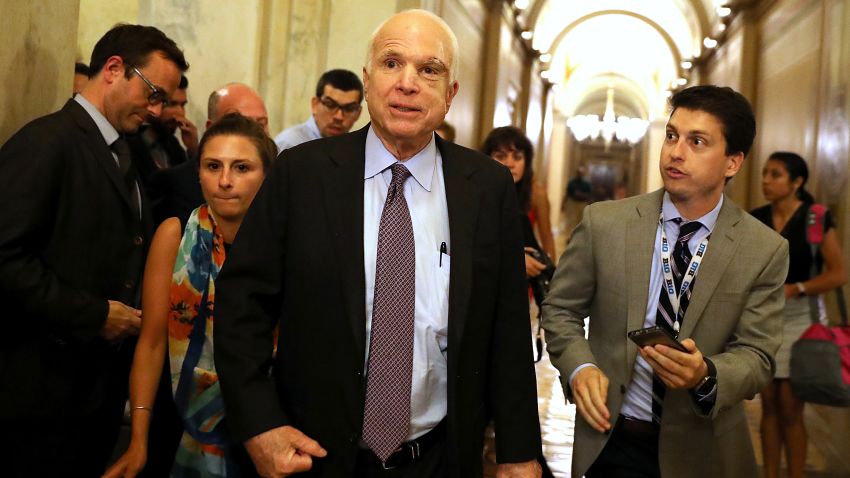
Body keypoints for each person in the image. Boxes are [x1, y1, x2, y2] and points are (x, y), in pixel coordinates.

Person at [213, 9, 542, 478]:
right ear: (367, 82)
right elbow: (241, 305)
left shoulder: (486, 189)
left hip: (439, 459)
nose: (407, 83)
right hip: (313, 456)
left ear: (450, 95)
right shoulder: (301, 174)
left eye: (429, 70)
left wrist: (518, 450)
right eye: (391, 64)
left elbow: (508, 327)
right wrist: (259, 425)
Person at [542, 85, 790, 478]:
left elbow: (758, 356)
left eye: (697, 141)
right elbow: (560, 310)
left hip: (703, 453)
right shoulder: (605, 224)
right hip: (611, 441)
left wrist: (705, 374)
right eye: (672, 135)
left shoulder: (763, 250)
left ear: (732, 162)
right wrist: (579, 367)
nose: (676, 152)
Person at [0, 24, 187, 476]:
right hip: (38, 395)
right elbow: (6, 256)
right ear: (114, 69)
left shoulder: (125, 151)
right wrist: (95, 314)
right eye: (153, 93)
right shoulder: (48, 141)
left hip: (88, 396)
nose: (158, 109)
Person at [103, 113, 277, 478]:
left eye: (242, 167)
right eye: (213, 166)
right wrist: (138, 438)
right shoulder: (176, 233)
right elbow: (150, 343)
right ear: (198, 173)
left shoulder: (287, 245)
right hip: (178, 416)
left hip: (267, 425)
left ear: (268, 176)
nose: (225, 181)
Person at [751, 151, 847, 478]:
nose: (766, 180)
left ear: (797, 182)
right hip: (763, 320)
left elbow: (838, 273)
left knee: (791, 408)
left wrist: (799, 288)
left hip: (801, 321)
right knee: (768, 406)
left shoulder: (815, 217)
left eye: (775, 174)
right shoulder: (756, 218)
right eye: (765, 173)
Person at [146, 82, 269, 226]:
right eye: (235, 123)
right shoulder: (174, 187)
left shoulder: (280, 189)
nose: (225, 181)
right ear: (211, 128)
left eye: (260, 125)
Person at [482, 126, 555, 281]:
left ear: (526, 161)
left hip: (525, 277)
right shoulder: (477, 190)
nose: (510, 164)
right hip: (486, 273)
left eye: (517, 157)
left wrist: (551, 278)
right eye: (501, 156)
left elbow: (547, 239)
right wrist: (514, 258)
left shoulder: (536, 193)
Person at [128, 74, 197, 187]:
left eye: (182, 105)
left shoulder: (171, 143)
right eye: (171, 104)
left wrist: (193, 150)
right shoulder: (129, 144)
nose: (180, 113)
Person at [273, 69, 363, 151]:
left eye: (349, 108)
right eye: (330, 105)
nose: (339, 117)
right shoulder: (291, 144)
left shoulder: (357, 149)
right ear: (315, 104)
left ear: (358, 113)